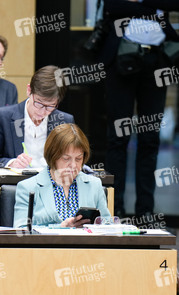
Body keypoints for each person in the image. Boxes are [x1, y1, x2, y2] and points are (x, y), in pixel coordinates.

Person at [99, 0, 179, 219]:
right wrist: (151, 8)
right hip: (121, 57)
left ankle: (145, 211)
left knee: (150, 139)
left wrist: (138, 4)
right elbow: (113, 7)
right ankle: (115, 208)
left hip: (157, 60)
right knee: (118, 138)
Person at [13, 124, 111, 228]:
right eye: (66, 158)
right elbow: (21, 230)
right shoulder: (27, 187)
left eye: (78, 159)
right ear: (52, 156)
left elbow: (107, 226)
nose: (73, 165)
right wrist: (61, 228)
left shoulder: (94, 185)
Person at [0, 65, 74, 169]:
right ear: (29, 90)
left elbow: (72, 161)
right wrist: (12, 163)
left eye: (50, 106)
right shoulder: (3, 117)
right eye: (39, 103)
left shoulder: (64, 121)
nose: (42, 112)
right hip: (15, 183)